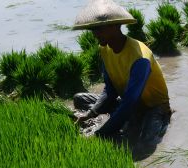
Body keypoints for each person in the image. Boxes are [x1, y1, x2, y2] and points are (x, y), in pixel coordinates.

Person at [72, 0, 171, 150]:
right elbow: (109, 91)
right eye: (93, 29)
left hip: (153, 108)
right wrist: (89, 114)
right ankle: (128, 120)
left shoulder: (139, 59)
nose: (95, 34)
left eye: (99, 28)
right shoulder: (104, 49)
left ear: (115, 26)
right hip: (128, 103)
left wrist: (99, 134)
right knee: (79, 99)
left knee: (146, 142)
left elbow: (129, 102)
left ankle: (137, 120)